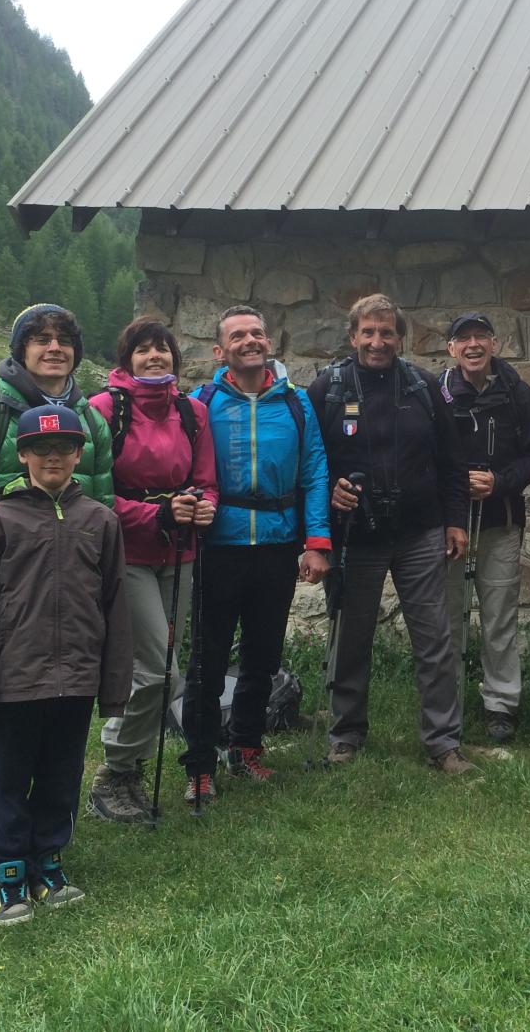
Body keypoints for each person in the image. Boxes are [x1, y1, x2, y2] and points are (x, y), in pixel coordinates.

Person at [0, 304, 113, 894]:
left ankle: (43, 852)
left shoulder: (90, 420)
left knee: (54, 737)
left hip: (66, 605)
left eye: (65, 338)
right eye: (39, 338)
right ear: (20, 348)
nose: (53, 347)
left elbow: (102, 506)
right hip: (3, 601)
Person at [0, 405, 132, 925]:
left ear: (80, 454)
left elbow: (116, 605)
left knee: (61, 774)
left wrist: (113, 683)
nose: (53, 458)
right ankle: (9, 871)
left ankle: (49, 862)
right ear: (23, 454)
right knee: (8, 777)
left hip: (76, 677)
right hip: (16, 679)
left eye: (64, 449)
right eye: (41, 449)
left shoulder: (100, 520)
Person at [307, 294, 473, 773]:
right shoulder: (329, 388)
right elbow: (310, 463)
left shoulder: (424, 387)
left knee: (435, 640)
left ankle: (443, 743)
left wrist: (456, 520)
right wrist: (326, 500)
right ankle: (346, 735)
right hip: (356, 534)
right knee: (351, 638)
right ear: (353, 335)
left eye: (387, 332)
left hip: (420, 531)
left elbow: (453, 461)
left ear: (401, 337)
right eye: (368, 332)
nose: (377, 341)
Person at [186, 305, 329, 788]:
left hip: (276, 546)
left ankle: (246, 748)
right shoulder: (202, 401)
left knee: (262, 657)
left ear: (269, 343)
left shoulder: (296, 402)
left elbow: (313, 472)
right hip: (218, 546)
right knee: (207, 658)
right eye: (238, 335)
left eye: (257, 333)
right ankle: (200, 764)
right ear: (219, 350)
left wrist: (316, 543)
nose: (250, 340)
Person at [86, 318, 217, 818]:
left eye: (163, 349)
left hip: (178, 553)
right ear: (127, 359)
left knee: (166, 669)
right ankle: (113, 772)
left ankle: (126, 773)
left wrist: (204, 507)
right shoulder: (104, 410)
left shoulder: (192, 412)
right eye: (143, 350)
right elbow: (93, 493)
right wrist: (153, 513)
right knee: (156, 671)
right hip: (127, 554)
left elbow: (205, 479)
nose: (155, 356)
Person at [439, 312, 530, 742]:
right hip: (449, 523)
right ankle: (444, 702)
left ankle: (500, 704)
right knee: (446, 615)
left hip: (500, 521)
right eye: (462, 338)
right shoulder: (438, 393)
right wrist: (456, 485)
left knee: (500, 616)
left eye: (480, 336)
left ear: (494, 343)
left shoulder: (518, 394)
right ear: (451, 349)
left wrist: (499, 482)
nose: (472, 344)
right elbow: (424, 452)